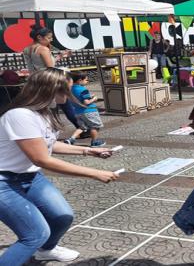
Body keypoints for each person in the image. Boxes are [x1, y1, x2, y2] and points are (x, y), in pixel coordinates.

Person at [0, 68, 118, 264]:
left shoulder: (43, 112)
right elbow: (42, 159)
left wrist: (88, 150)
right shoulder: (19, 115)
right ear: (51, 90)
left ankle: (46, 251)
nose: (69, 94)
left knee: (62, 216)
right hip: (4, 182)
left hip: (30, 176)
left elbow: (48, 144)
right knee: (35, 234)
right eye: (67, 90)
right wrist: (95, 173)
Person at [22, 25, 83, 138]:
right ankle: (80, 128)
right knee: (64, 104)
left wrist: (59, 56)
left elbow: (38, 65)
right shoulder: (43, 49)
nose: (51, 40)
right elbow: (50, 67)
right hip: (49, 79)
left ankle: (49, 131)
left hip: (34, 80)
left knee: (45, 107)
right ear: (40, 37)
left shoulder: (26, 49)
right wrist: (61, 60)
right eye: (49, 38)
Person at [67, 72, 105, 147]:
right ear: (80, 80)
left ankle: (71, 139)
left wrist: (89, 96)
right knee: (95, 126)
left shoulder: (71, 89)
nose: (87, 82)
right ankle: (94, 142)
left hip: (77, 112)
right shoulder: (83, 89)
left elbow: (79, 98)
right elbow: (86, 102)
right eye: (86, 80)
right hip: (89, 111)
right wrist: (94, 99)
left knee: (82, 127)